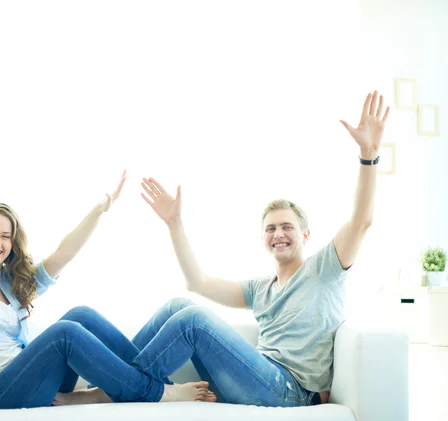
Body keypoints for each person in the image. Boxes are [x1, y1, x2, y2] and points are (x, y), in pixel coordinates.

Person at [80, 90, 387, 407]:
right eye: (271, 228)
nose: (278, 234)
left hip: (290, 391)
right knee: (177, 306)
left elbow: (361, 221)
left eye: (287, 227)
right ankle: (119, 384)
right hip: (255, 379)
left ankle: (110, 390)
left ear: (306, 235)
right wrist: (174, 224)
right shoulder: (261, 289)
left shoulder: (323, 270)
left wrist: (368, 154)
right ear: (264, 238)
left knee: (193, 321)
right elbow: (197, 282)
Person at [0, 126, 214, 409]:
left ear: (12, 242)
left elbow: (63, 254)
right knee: (65, 333)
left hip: (32, 379)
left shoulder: (12, 283)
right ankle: (159, 391)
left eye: (5, 236)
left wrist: (99, 210)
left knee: (81, 316)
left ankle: (112, 390)